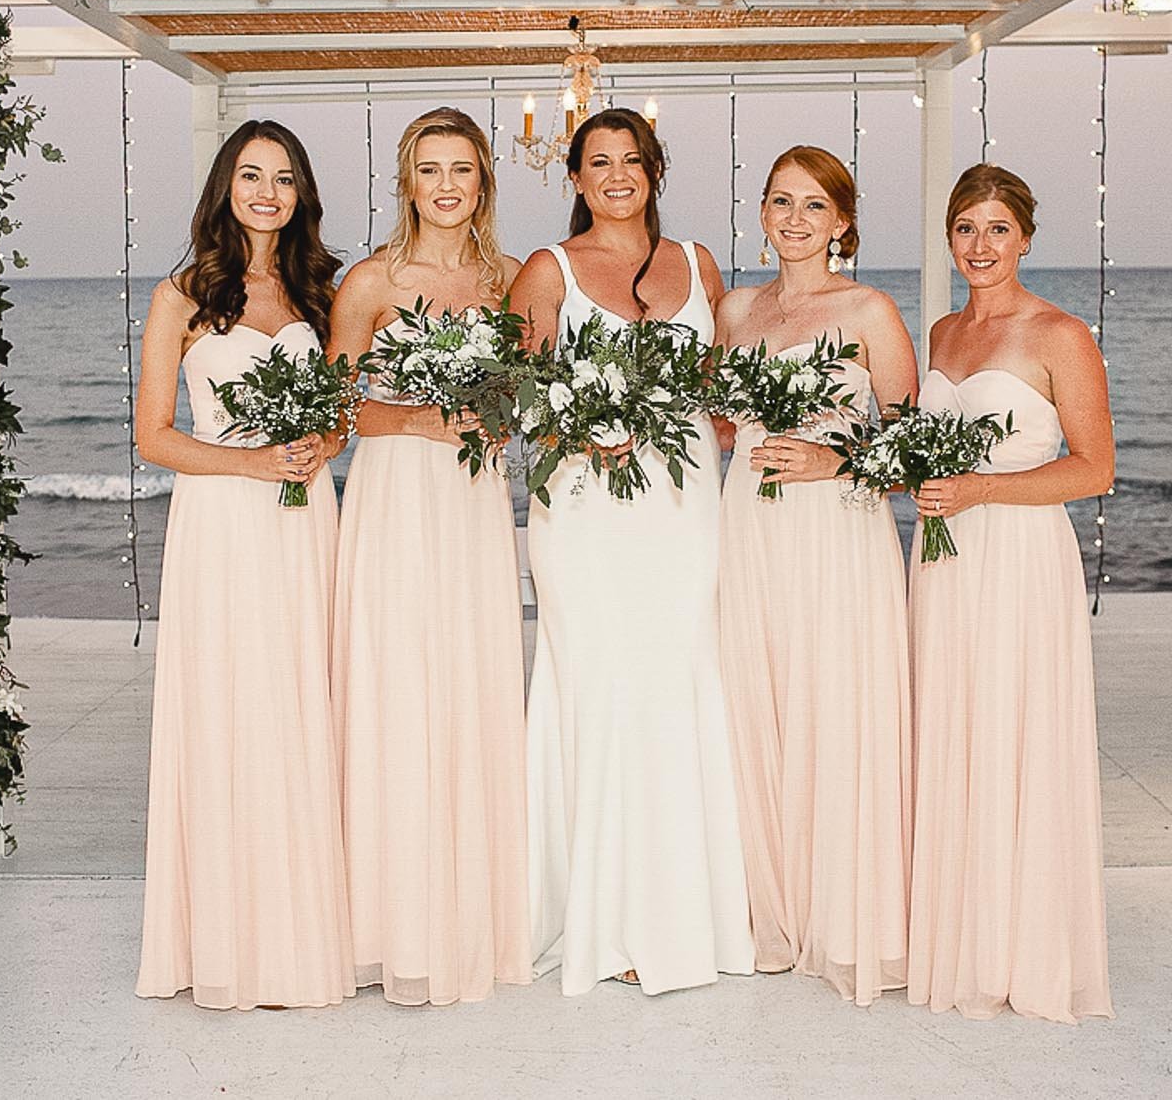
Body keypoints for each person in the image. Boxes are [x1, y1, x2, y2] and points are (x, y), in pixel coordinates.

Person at [508, 106, 755, 996]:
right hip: (583, 507)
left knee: (677, 677)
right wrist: (575, 430)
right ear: (574, 178)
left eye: (632, 159)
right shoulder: (548, 269)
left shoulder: (698, 264)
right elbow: (519, 391)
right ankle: (600, 920)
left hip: (682, 504)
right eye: (597, 162)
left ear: (655, 168)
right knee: (601, 682)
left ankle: (681, 912)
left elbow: (721, 390)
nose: (617, 175)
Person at [132, 119, 353, 1011]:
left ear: (302, 194)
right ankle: (226, 934)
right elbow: (153, 436)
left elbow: (337, 416)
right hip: (223, 521)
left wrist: (317, 445)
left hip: (305, 521)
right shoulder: (181, 295)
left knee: (302, 702)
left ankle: (304, 924)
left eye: (286, 178)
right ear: (226, 184)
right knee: (230, 708)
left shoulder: (319, 293)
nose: (269, 192)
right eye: (253, 175)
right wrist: (253, 462)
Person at [327, 107, 531, 1005]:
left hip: (473, 500)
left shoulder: (514, 280)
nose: (446, 186)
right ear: (406, 181)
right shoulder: (369, 282)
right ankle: (388, 919)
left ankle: (470, 911)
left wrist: (498, 416)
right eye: (429, 169)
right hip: (396, 496)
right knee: (398, 684)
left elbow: (529, 399)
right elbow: (329, 413)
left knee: (470, 680)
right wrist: (417, 417)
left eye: (463, 170)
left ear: (485, 181)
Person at [904, 162, 1115, 1024]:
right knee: (951, 727)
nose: (980, 245)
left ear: (1024, 236)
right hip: (944, 555)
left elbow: (1095, 468)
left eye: (996, 228)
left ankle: (1017, 948)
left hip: (1019, 553)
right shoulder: (943, 334)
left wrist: (983, 488)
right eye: (965, 228)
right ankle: (960, 931)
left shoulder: (1059, 332)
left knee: (1014, 730)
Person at [712, 146, 918, 1006]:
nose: (794, 219)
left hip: (837, 533)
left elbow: (909, 443)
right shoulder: (735, 308)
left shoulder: (868, 308)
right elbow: (724, 426)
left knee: (836, 700)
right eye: (779, 202)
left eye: (813, 205)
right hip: (749, 527)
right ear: (761, 212)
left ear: (842, 220)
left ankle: (845, 914)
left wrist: (835, 460)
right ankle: (769, 908)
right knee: (752, 701)